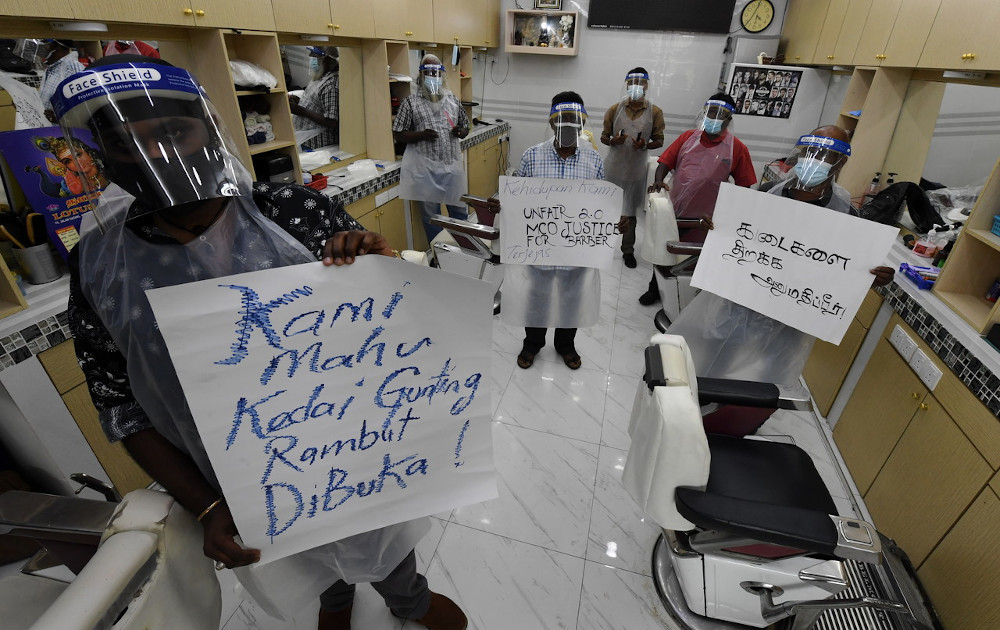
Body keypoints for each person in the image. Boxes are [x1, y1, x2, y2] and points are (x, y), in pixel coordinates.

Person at [53, 56, 467, 630]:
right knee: (304, 551)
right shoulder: (100, 263)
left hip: (346, 439)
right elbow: (118, 402)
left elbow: (388, 341)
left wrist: (378, 271)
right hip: (240, 473)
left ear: (210, 128)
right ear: (105, 157)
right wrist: (205, 503)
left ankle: (409, 599)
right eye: (128, 142)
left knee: (381, 534)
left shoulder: (293, 212)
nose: (154, 157)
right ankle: (335, 599)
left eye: (173, 132)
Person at [668, 125, 894, 384]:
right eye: (811, 151)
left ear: (840, 162)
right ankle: (702, 403)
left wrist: (871, 276)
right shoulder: (766, 194)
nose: (815, 160)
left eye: (826, 156)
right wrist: (717, 225)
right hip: (741, 299)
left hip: (792, 310)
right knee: (716, 357)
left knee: (771, 372)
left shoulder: (847, 217)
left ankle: (745, 419)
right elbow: (736, 237)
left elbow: (848, 268)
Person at [504, 92, 604, 370]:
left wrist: (613, 220)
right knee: (537, 297)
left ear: (582, 123)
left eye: (574, 121)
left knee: (571, 299)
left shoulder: (593, 160)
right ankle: (532, 343)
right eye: (563, 120)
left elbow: (601, 202)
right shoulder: (532, 156)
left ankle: (565, 345)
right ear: (552, 123)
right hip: (541, 248)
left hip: (576, 250)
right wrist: (505, 202)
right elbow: (519, 199)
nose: (569, 126)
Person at [638, 93, 756, 305]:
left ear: (729, 120)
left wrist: (731, 213)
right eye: (711, 112)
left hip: (707, 217)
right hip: (676, 209)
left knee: (696, 259)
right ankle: (655, 289)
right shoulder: (688, 138)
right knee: (665, 251)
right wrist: (658, 180)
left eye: (720, 114)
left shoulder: (736, 148)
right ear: (704, 112)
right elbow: (665, 161)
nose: (713, 117)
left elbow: (745, 184)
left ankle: (688, 297)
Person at [393, 54, 470, 242]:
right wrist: (421, 135)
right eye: (428, 72)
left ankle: (466, 250)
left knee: (460, 212)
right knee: (432, 219)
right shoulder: (410, 102)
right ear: (421, 75)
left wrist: (461, 131)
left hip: (451, 167)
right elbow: (398, 133)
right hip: (424, 170)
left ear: (442, 76)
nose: (432, 76)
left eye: (436, 73)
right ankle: (440, 255)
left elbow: (466, 125)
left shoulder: (452, 100)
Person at [600, 68, 664, 268]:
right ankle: (600, 246)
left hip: (636, 170)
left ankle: (628, 251)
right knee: (605, 210)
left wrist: (645, 144)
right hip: (613, 168)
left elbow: (659, 141)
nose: (636, 87)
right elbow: (603, 136)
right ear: (626, 85)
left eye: (640, 83)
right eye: (632, 83)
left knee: (630, 214)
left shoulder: (654, 112)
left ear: (647, 86)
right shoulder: (614, 109)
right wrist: (613, 140)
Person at [291, 46, 340, 150]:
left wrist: (302, 111)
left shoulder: (330, 85)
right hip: (306, 131)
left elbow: (332, 122)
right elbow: (318, 105)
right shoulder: (319, 77)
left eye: (314, 55)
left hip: (319, 134)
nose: (310, 57)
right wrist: (299, 102)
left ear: (326, 60)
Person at [30, 39, 85, 123]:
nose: (40, 48)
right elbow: (46, 102)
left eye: (44, 44)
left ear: (56, 46)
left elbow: (83, 108)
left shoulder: (73, 69)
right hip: (45, 129)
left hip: (63, 132)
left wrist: (60, 118)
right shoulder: (53, 67)